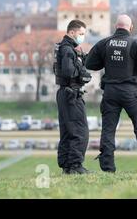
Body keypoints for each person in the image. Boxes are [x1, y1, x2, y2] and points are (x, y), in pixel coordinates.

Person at [85, 14, 137, 172]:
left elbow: (90, 63)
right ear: (130, 28)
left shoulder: (104, 43)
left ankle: (107, 167)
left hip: (110, 92)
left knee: (108, 129)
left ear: (115, 27)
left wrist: (107, 61)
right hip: (130, 92)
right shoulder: (136, 44)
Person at [54, 19, 92, 174]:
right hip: (72, 94)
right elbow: (70, 72)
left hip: (64, 93)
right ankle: (76, 165)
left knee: (67, 131)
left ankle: (67, 166)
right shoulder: (68, 50)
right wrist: (83, 73)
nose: (82, 37)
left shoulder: (63, 48)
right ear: (71, 32)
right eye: (81, 34)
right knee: (80, 131)